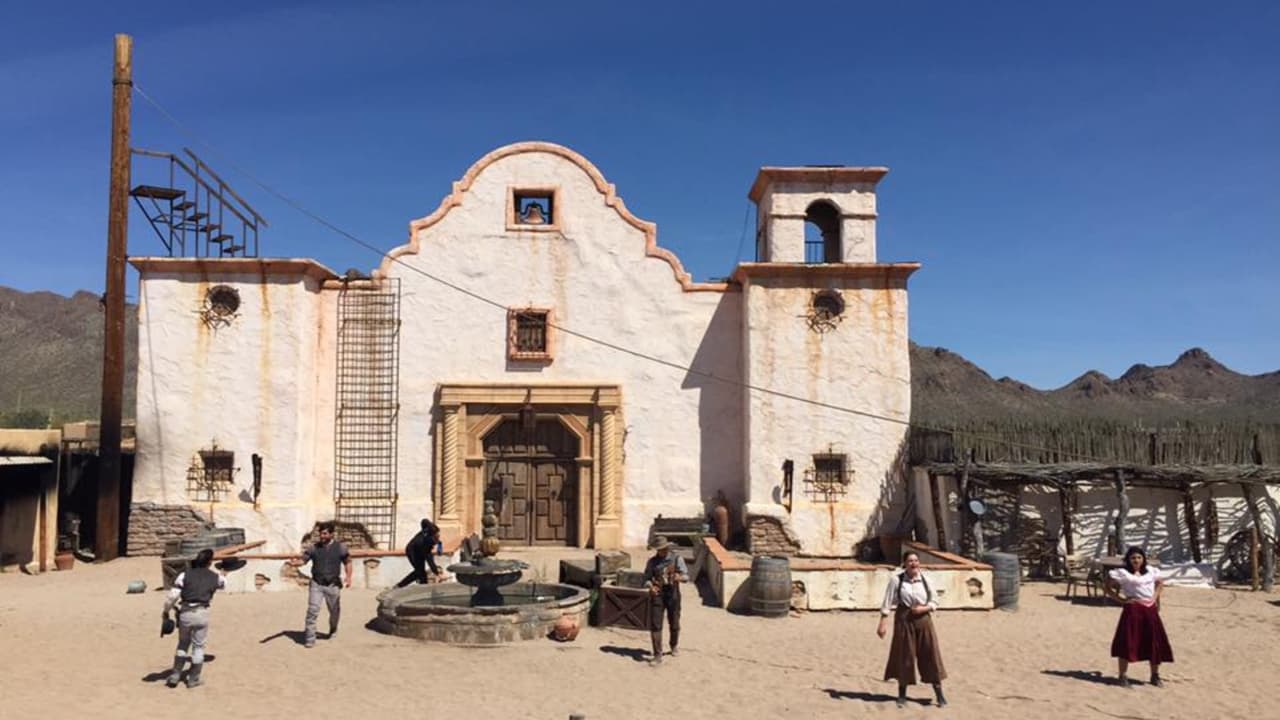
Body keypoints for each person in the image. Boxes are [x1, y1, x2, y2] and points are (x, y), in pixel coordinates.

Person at [877, 550, 947, 708]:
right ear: (905, 564)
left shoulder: (926, 580)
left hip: (923, 620)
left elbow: (935, 601)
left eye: (916, 560)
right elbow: (887, 601)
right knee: (905, 655)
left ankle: (939, 694)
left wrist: (924, 609)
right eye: (910, 561)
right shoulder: (897, 580)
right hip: (904, 619)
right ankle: (902, 695)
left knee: (931, 654)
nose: (914, 563)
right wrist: (883, 622)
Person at [1105, 545, 1173, 688]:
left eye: (1139, 557)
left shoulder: (1151, 571)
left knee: (1154, 641)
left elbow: (1160, 584)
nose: (1136, 560)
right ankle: (1122, 676)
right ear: (1128, 560)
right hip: (1133, 610)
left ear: (1143, 559)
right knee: (1128, 641)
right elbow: (1107, 586)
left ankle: (1155, 675)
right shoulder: (1123, 573)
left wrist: (1154, 598)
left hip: (1149, 610)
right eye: (1133, 558)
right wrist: (1122, 600)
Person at [161, 548, 225, 688]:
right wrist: (223, 571)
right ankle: (193, 678)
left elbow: (172, 596)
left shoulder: (184, 575)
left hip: (185, 614)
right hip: (202, 613)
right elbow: (222, 584)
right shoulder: (215, 577)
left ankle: (175, 675)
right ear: (210, 562)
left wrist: (166, 611)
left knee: (183, 643)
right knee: (198, 647)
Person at [288, 521, 352, 648]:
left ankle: (333, 629)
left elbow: (348, 562)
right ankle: (310, 639)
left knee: (334, 611)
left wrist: (349, 577)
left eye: (325, 533)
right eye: (320, 534)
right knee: (312, 610)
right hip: (317, 583)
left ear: (331, 534)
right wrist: (296, 563)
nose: (322, 536)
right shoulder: (313, 548)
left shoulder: (340, 548)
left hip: (333, 584)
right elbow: (303, 560)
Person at [642, 535, 688, 665]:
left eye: (663, 549)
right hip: (658, 594)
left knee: (674, 622)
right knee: (656, 624)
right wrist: (650, 586)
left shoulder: (677, 559)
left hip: (673, 594)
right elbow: (646, 578)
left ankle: (674, 645)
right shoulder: (652, 562)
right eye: (659, 549)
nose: (662, 551)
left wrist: (679, 578)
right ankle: (657, 654)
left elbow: (686, 576)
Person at [396, 518, 443, 588]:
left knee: (420, 573)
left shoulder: (428, 533)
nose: (439, 538)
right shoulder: (426, 543)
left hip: (418, 550)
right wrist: (437, 573)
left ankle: (401, 586)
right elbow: (430, 561)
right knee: (420, 572)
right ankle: (399, 586)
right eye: (437, 536)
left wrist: (439, 545)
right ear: (432, 536)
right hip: (412, 551)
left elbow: (424, 521)